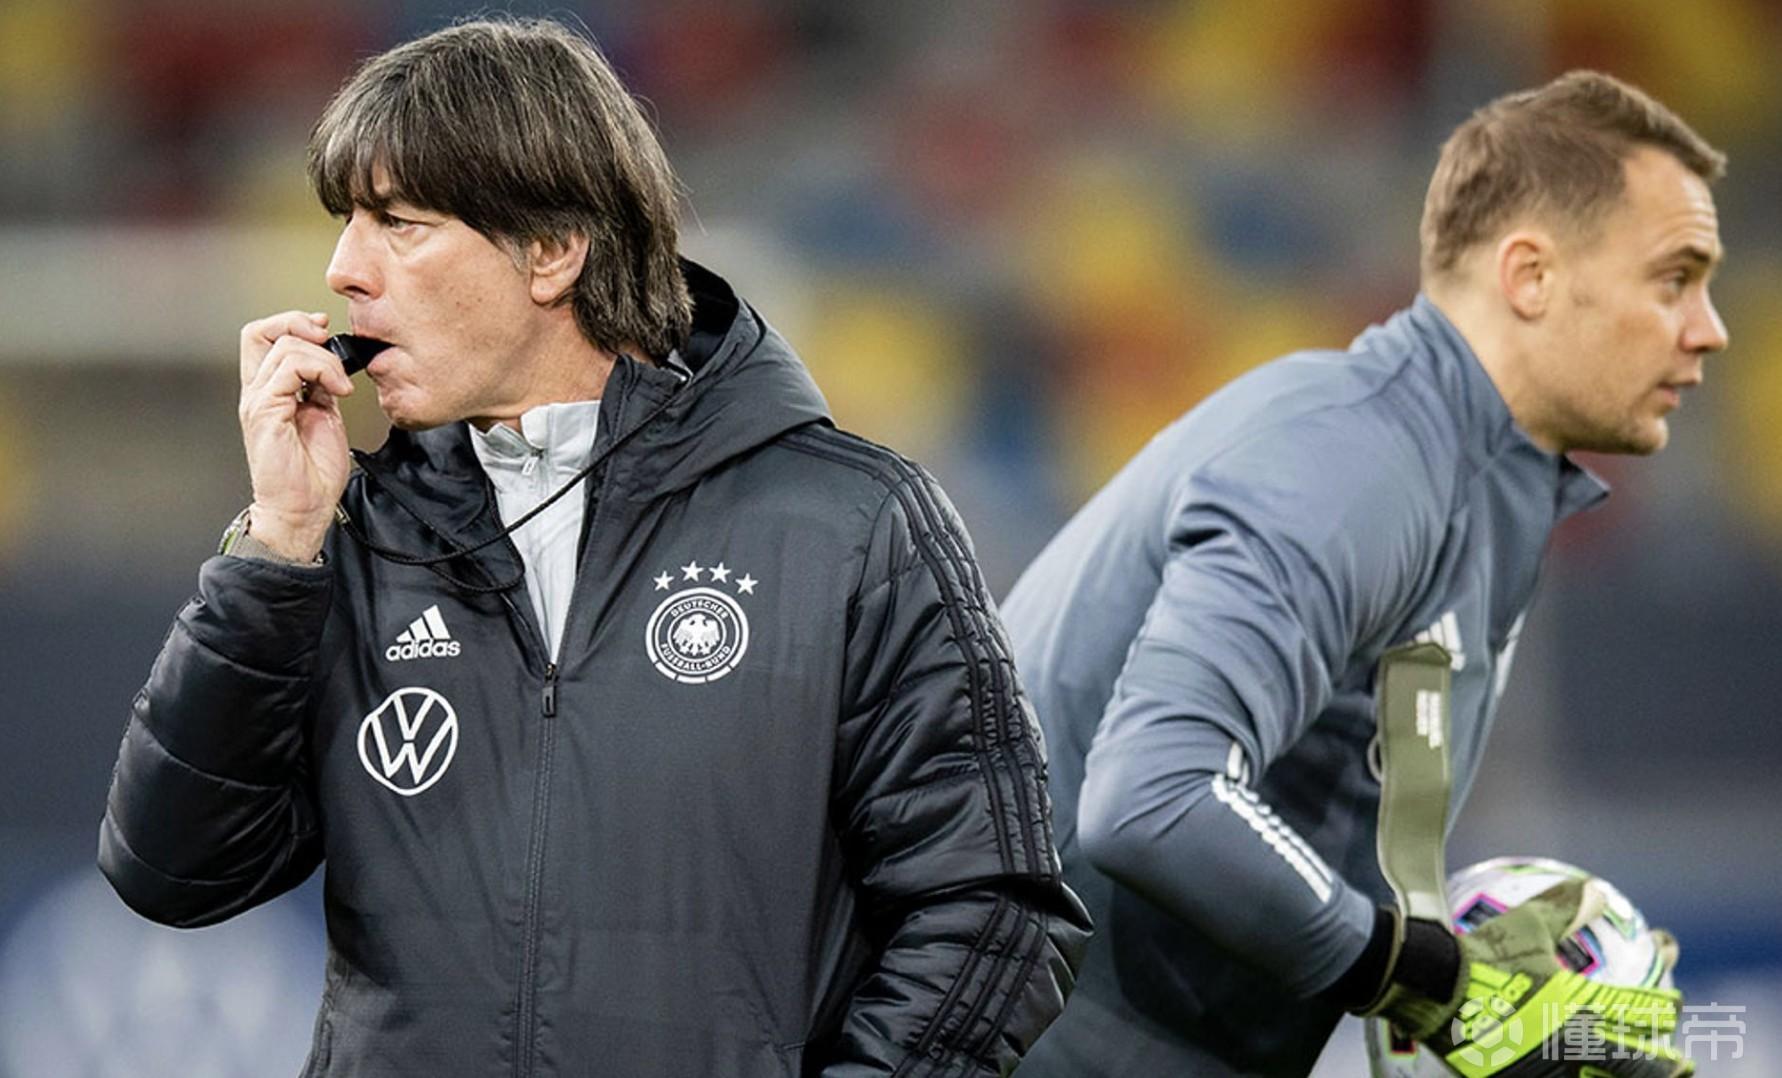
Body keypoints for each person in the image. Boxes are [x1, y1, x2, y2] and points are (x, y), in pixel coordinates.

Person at [98, 17, 1088, 1076]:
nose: (344, 269)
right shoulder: (350, 541)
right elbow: (174, 872)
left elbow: (993, 915)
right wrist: (275, 548)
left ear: (552, 251)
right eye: (349, 222)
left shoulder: (851, 526)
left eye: (400, 224)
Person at [1003, 70, 1724, 1078]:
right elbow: (1152, 797)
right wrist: (1441, 985)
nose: (1707, 327)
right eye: (1674, 278)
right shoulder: (1354, 462)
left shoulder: (1456, 476)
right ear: (1530, 278)